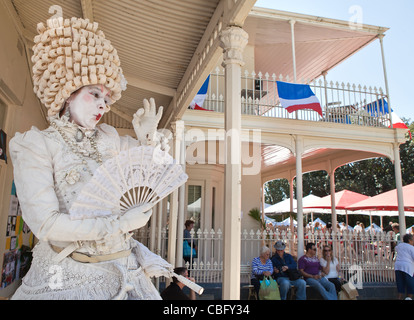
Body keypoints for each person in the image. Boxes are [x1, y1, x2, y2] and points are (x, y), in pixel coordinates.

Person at [9, 17, 172, 300]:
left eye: (107, 99)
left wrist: (147, 138)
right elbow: (46, 224)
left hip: (125, 269)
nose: (102, 104)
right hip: (67, 277)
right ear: (67, 94)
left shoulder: (109, 138)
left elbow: (153, 172)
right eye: (94, 93)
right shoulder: (37, 144)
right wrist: (120, 224)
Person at [394, 234, 414, 300]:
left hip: (398, 266)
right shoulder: (411, 248)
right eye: (413, 239)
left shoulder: (400, 246)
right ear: (409, 240)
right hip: (407, 267)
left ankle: (399, 297)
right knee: (410, 284)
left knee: (400, 284)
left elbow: (395, 248)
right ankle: (409, 298)